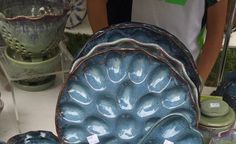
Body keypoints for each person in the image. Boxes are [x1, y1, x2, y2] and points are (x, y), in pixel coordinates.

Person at [87, 0, 228, 84]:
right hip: (124, 69)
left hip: (181, 73)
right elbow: (96, 3)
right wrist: (106, 52)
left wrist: (197, 84)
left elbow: (215, 34)